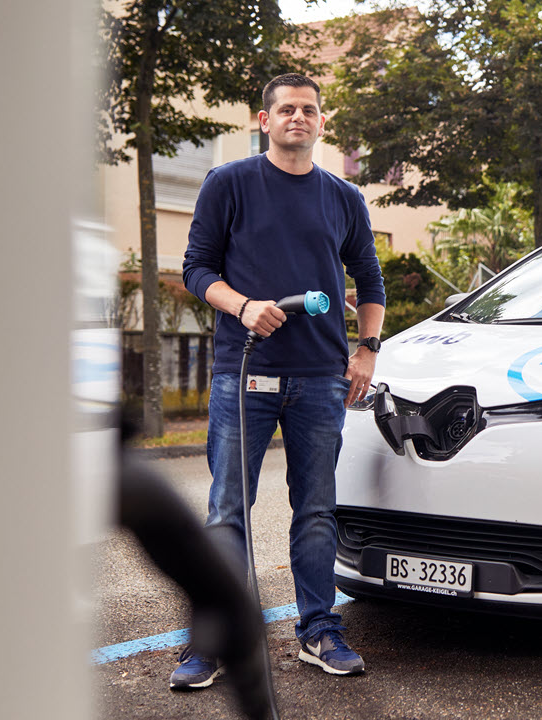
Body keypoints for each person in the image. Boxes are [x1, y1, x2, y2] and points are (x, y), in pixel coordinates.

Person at [173, 73, 386, 688]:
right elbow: (196, 268)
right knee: (228, 511)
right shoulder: (229, 182)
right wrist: (241, 306)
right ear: (264, 121)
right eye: (286, 109)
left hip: (320, 379)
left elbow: (369, 283)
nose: (299, 117)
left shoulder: (343, 196)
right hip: (244, 374)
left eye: (309, 110)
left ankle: (319, 631)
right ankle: (214, 640)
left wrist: (365, 352)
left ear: (322, 123)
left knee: (317, 510)